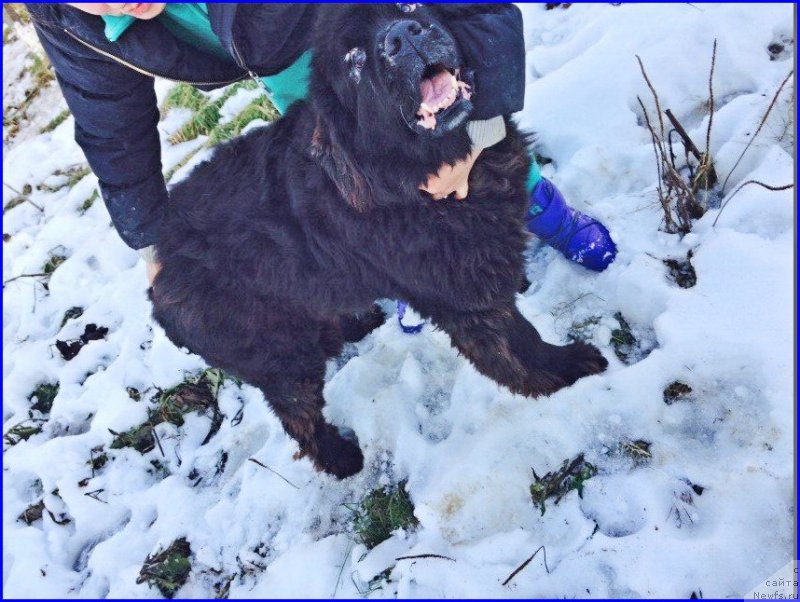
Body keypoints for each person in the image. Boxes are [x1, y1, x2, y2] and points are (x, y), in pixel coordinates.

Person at [26, 2, 616, 286]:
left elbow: (471, 11)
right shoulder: (63, 16)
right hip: (284, 58)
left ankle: (536, 202)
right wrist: (155, 237)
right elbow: (109, 123)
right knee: (356, 176)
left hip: (378, 16)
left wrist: (476, 129)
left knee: (461, 140)